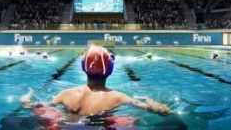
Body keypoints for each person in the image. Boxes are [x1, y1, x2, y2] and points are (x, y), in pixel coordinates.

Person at [20, 45, 170, 128]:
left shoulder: (65, 94)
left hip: (66, 125)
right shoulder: (118, 97)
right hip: (98, 126)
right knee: (134, 120)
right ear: (110, 70)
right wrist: (154, 104)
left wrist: (27, 98)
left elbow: (33, 105)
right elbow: (156, 110)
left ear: (83, 68)